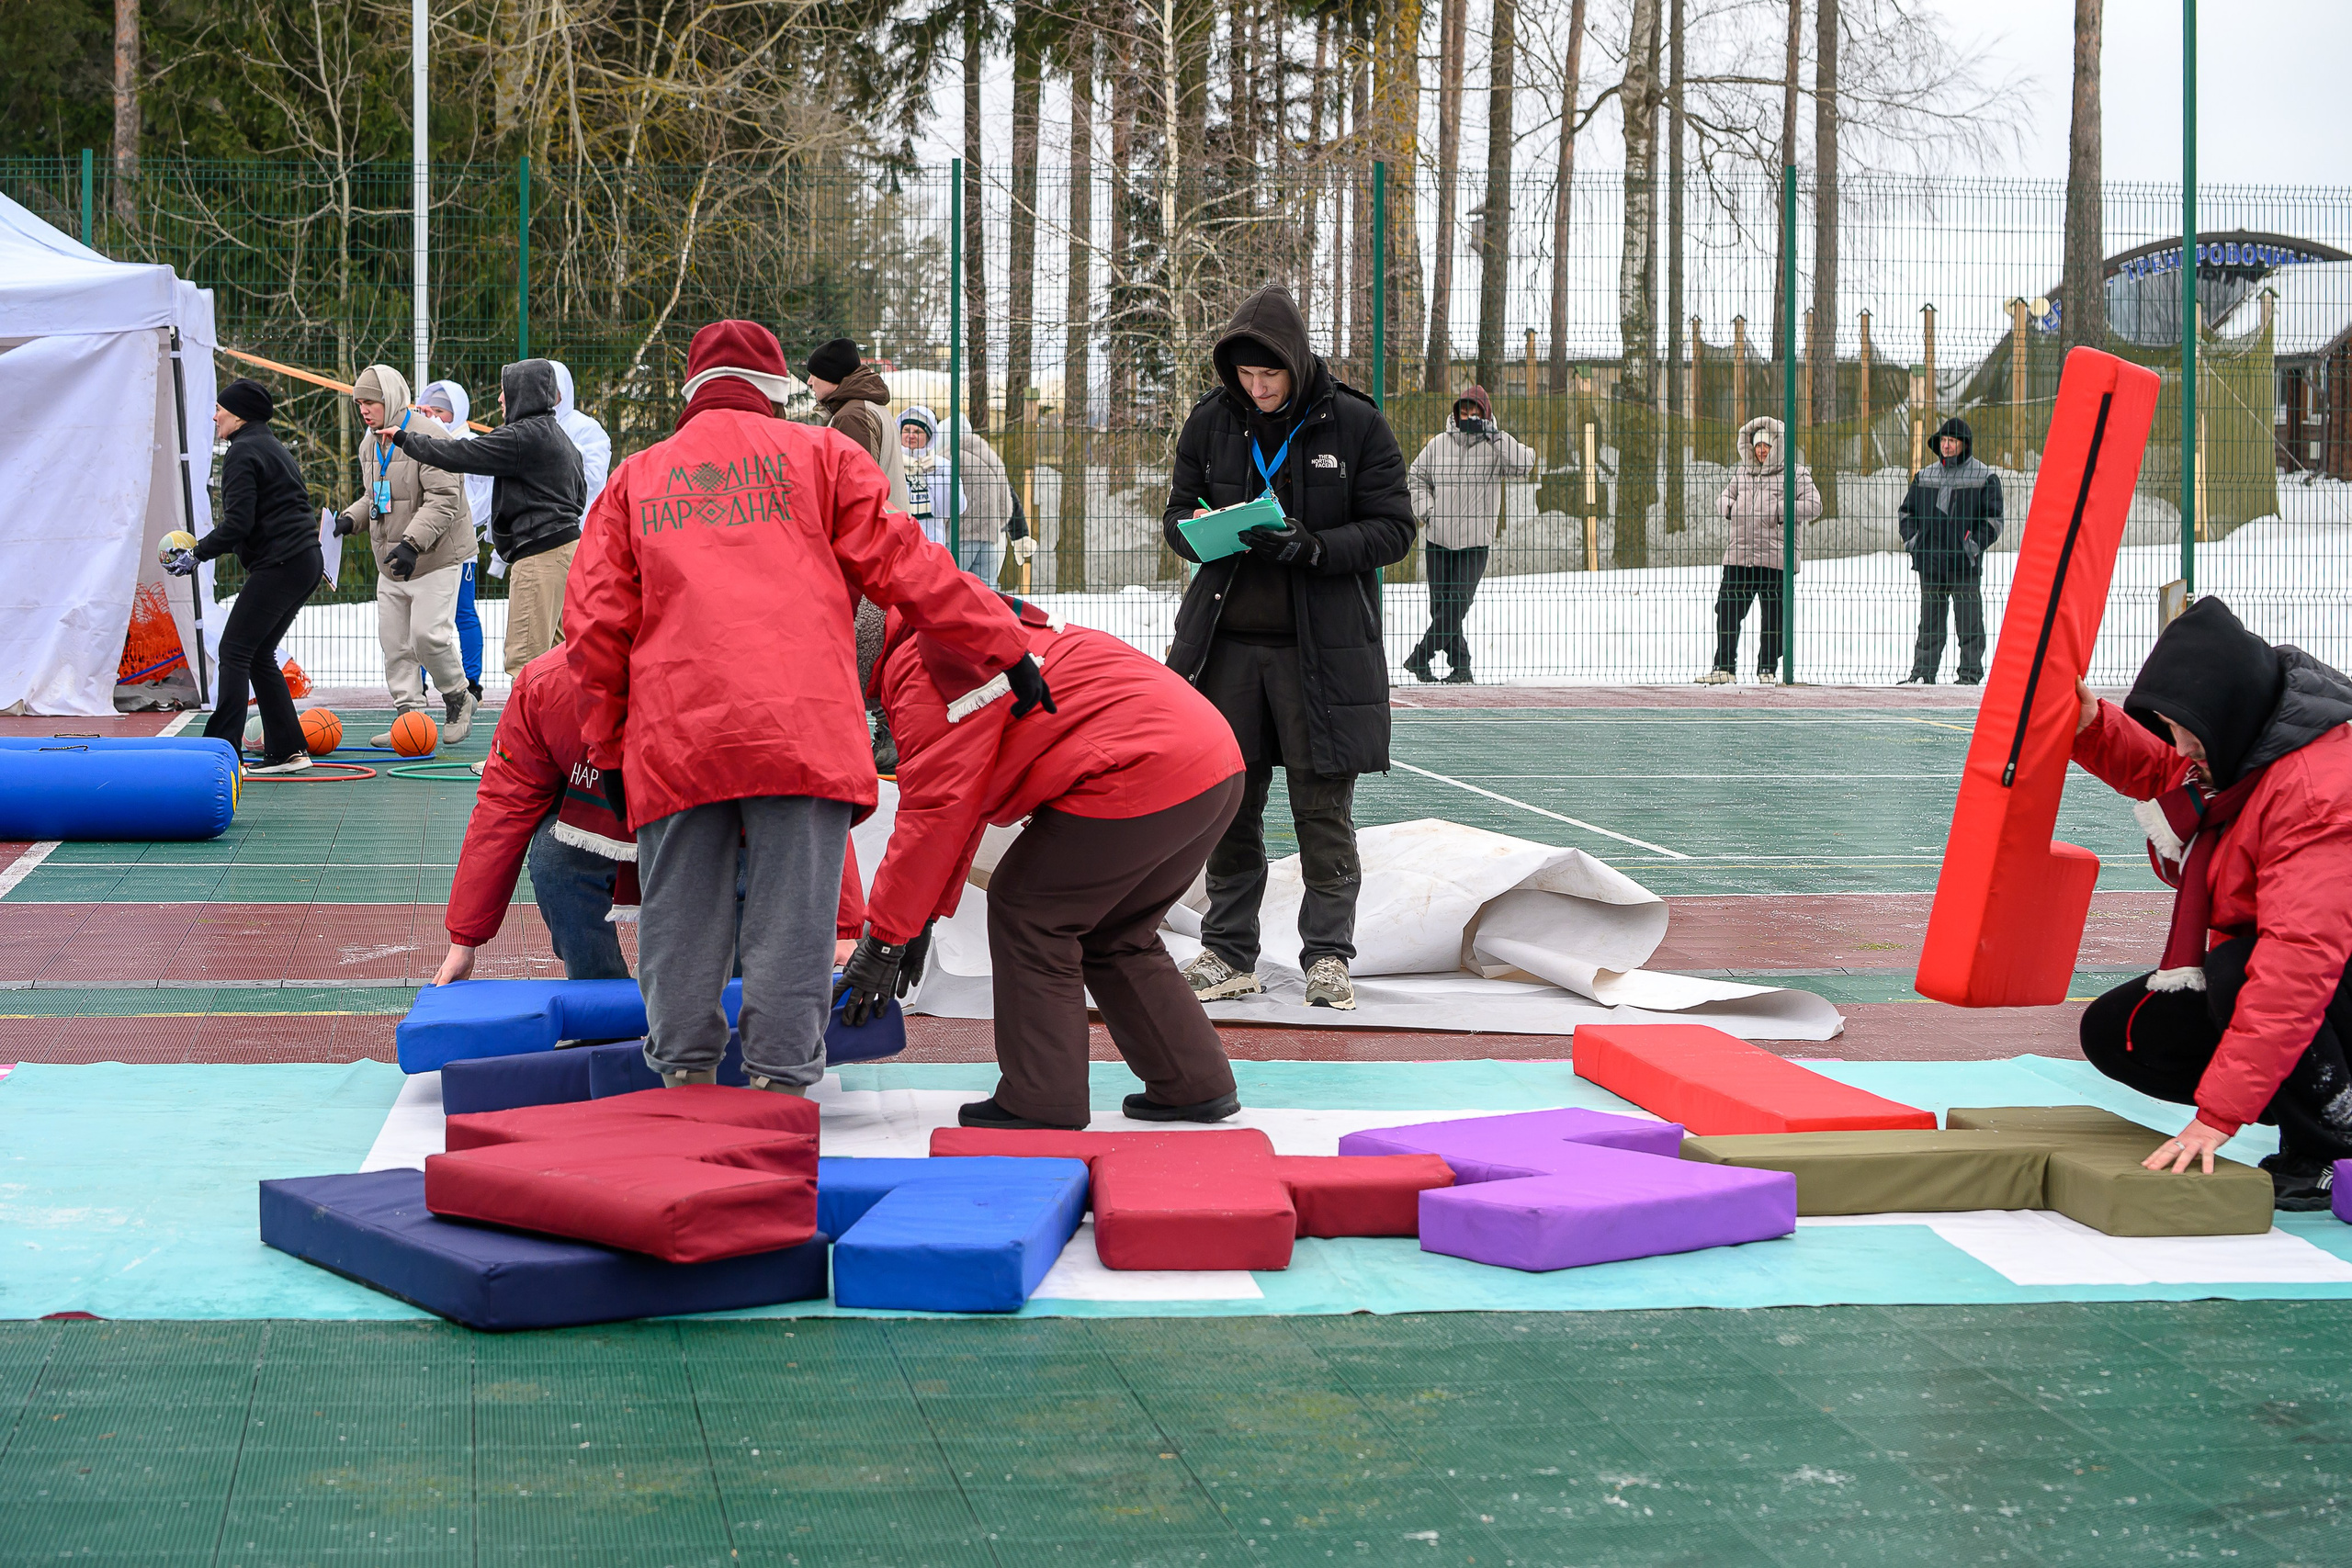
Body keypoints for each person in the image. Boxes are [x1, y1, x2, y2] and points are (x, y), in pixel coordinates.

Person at [569, 319, 1046, 1097]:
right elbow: (905, 563)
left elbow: (594, 626)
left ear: (691, 391)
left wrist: (610, 747)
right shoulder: (822, 456)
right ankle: (782, 1083)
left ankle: (684, 1075)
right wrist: (1002, 640)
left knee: (679, 915)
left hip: (678, 730)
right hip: (801, 724)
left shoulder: (636, 479)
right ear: (776, 389)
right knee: (793, 921)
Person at [850, 595, 1247, 1130]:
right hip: (1211, 762)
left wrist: (884, 940)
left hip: (1138, 769)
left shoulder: (927, 668)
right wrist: (916, 919)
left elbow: (937, 812)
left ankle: (1042, 1097)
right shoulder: (964, 623)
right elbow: (963, 806)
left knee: (1030, 912)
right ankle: (1193, 1083)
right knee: (1116, 930)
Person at [1162, 283, 1416, 1012]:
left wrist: (1314, 547)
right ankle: (1227, 951)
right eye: (1245, 375)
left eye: (1269, 373)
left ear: (1296, 363)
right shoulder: (1211, 420)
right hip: (1226, 650)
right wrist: (1200, 534)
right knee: (1229, 806)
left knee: (1321, 807)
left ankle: (1328, 956)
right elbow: (1177, 514)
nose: (1258, 387)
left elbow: (1394, 528)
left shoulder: (1356, 423)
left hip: (1322, 654)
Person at [2071, 598, 2352, 1211]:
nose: (2181, 750)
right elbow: (2171, 772)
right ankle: (2298, 1101)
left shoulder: (2317, 790)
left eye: (2190, 739)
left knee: (2240, 972)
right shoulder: (2247, 746)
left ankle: (2334, 1141)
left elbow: (2298, 962)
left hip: (2323, 973)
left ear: (2228, 717)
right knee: (2122, 1032)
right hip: (2307, 980)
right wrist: (2090, 725)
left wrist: (2218, 1115)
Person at [433, 643, 865, 987]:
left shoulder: (738, 683)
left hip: (719, 823)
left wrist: (842, 928)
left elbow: (810, 794)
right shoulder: (547, 689)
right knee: (554, 855)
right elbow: (503, 809)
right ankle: (601, 1003)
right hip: (612, 819)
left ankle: (720, 998)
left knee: (720, 998)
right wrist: (464, 940)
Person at [387, 360, 585, 676]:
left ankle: (526, 712)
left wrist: (405, 439)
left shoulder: (522, 436)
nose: (500, 398)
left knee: (525, 660)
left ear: (523, 393)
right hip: (568, 554)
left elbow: (461, 454)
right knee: (556, 658)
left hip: (540, 556)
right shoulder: (560, 438)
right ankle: (562, 711)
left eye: (506, 391)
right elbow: (580, 496)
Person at [174, 378, 322, 775]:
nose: (215, 416)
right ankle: (288, 750)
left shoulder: (242, 452)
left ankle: (221, 752)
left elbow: (238, 524)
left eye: (220, 408)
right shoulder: (271, 446)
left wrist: (196, 554)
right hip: (305, 561)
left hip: (282, 563)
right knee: (257, 654)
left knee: (234, 651)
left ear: (238, 415)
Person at [336, 365, 476, 744]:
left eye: (371, 402)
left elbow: (444, 499)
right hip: (392, 562)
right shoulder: (370, 444)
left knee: (427, 636)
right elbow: (376, 496)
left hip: (435, 557)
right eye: (359, 404)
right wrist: (350, 519)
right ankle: (410, 720)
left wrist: (412, 543)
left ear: (392, 398)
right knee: (395, 644)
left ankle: (458, 697)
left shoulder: (430, 435)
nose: (364, 410)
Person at [1403, 385, 1536, 684]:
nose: (1468, 417)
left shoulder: (1496, 447)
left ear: (1485, 414)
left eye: (1474, 412)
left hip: (1475, 542)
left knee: (1458, 602)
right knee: (1440, 606)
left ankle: (1421, 655)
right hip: (1438, 538)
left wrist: (1495, 435)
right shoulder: (1437, 445)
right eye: (1463, 412)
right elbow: (1416, 476)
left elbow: (1525, 464)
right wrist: (1428, 511)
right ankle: (1461, 667)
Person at [1703, 416, 1821, 684]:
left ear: (1777, 446)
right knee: (1727, 610)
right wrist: (1729, 507)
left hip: (1774, 560)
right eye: (1757, 445)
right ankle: (1724, 668)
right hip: (1740, 558)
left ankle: (1767, 669)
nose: (1761, 450)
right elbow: (1724, 496)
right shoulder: (1742, 473)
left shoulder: (1796, 473)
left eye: (1767, 445)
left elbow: (1815, 505)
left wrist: (1781, 511)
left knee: (1774, 619)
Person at [1899, 416, 2003, 685]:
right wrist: (1915, 543)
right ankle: (1922, 674)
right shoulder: (1924, 476)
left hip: (1963, 564)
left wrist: (1971, 547)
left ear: (1964, 444)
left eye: (1952, 441)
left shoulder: (1985, 477)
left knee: (1969, 623)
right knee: (1929, 624)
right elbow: (1906, 513)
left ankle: (1969, 675)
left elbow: (1993, 521)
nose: (1946, 445)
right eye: (1943, 440)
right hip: (1930, 563)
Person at [898, 404, 1032, 583]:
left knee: (953, 589)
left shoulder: (943, 461)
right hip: (991, 538)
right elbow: (1008, 500)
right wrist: (1014, 532)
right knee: (985, 592)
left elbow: (944, 506)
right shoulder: (991, 458)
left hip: (957, 537)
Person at [416, 380, 491, 703]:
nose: (435, 417)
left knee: (463, 613)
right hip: (426, 545)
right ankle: (417, 682)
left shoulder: (470, 444)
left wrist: (469, 521)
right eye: (430, 410)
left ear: (457, 412)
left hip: (459, 548)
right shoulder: (419, 443)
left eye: (441, 411)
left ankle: (472, 682)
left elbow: (485, 491)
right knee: (422, 618)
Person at [800, 336, 912, 513]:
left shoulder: (852, 416)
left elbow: (858, 490)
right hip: (888, 521)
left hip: (874, 525)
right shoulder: (868, 407)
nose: (809, 382)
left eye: (814, 374)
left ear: (831, 374)